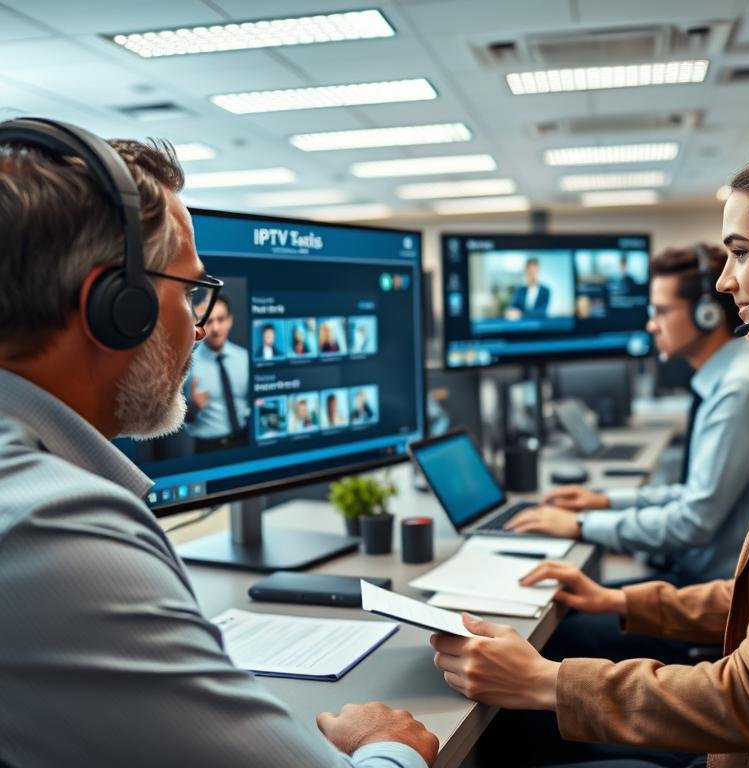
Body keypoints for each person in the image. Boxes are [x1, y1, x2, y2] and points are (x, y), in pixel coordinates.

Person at [431, 90, 749, 768]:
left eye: (740, 253)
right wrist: (620, 599)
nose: (726, 280)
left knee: (500, 738)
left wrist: (544, 679)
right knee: (513, 730)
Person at [0, 121, 438, 768]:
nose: (201, 329)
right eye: (191, 293)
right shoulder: (53, 526)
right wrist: (390, 748)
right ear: (117, 309)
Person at [507, 244, 749, 592]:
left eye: (661, 311)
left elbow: (692, 522)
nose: (651, 325)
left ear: (707, 314)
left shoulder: (739, 389)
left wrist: (581, 523)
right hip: (703, 578)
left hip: (714, 596)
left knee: (562, 622)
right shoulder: (732, 374)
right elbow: (694, 495)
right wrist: (604, 501)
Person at [183, 292, 250, 452]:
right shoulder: (187, 364)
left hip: (244, 442)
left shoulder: (245, 358)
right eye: (209, 321)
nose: (215, 328)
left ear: (230, 320)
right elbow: (171, 419)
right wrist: (193, 407)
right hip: (207, 449)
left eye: (221, 319)